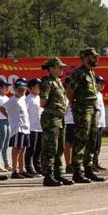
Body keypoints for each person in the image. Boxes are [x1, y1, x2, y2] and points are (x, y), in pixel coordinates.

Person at [66, 48, 101, 183]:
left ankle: (88, 169)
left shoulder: (91, 72)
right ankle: (77, 171)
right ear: (85, 58)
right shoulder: (78, 73)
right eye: (93, 57)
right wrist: (74, 104)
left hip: (92, 109)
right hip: (82, 109)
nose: (96, 59)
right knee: (81, 139)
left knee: (92, 139)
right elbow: (70, 91)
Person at [39, 58, 71, 187]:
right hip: (51, 118)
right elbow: (42, 102)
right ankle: (48, 176)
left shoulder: (58, 81)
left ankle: (58, 174)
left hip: (60, 118)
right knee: (50, 148)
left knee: (59, 148)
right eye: (59, 67)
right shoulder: (47, 82)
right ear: (51, 68)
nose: (62, 69)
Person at [25, 77, 44, 176]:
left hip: (40, 127)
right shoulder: (28, 99)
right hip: (31, 128)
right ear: (31, 88)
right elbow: (24, 113)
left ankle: (38, 167)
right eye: (38, 86)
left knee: (39, 149)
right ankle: (29, 168)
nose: (39, 88)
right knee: (30, 149)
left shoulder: (39, 97)